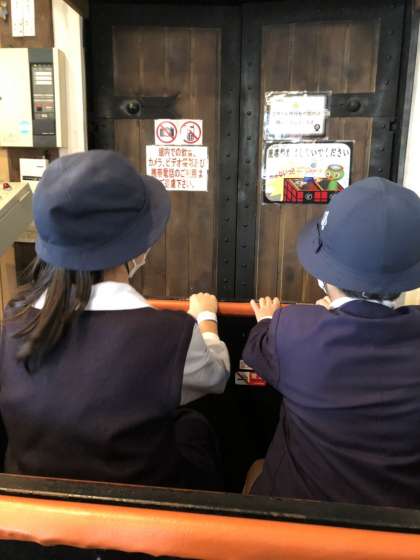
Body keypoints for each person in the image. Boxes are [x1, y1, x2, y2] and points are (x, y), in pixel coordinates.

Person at [0, 150, 229, 491]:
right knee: (194, 426)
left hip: (29, 502)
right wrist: (206, 319)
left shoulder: (14, 319)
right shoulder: (170, 335)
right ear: (137, 248)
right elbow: (215, 377)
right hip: (142, 506)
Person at [242, 177, 420, 508]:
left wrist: (267, 319)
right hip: (401, 521)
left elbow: (257, 347)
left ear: (323, 274)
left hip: (299, 518)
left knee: (256, 468)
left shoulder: (292, 330)